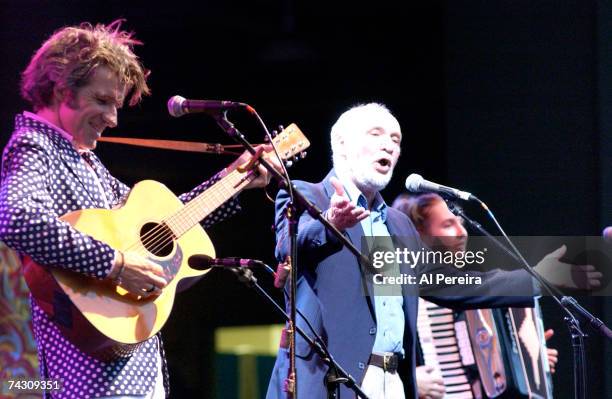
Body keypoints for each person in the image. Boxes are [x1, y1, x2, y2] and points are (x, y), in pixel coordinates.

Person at [0, 21, 274, 398]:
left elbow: (169, 225)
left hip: (132, 368)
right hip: (91, 377)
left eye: (116, 105)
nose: (113, 119)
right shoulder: (34, 146)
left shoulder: (87, 163)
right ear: (62, 89)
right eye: (102, 101)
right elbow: (17, 220)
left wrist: (235, 180)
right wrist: (116, 265)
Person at [266, 103, 598, 399]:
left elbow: (454, 282)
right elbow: (288, 248)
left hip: (391, 382)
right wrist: (329, 222)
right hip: (328, 380)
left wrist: (542, 278)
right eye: (376, 134)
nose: (389, 145)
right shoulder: (306, 195)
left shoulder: (395, 225)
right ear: (341, 143)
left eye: (396, 140)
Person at [393, 193, 559, 398]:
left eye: (461, 223)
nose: (462, 232)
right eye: (447, 224)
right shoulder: (401, 288)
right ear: (418, 234)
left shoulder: (476, 283)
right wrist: (407, 379)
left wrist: (533, 362)